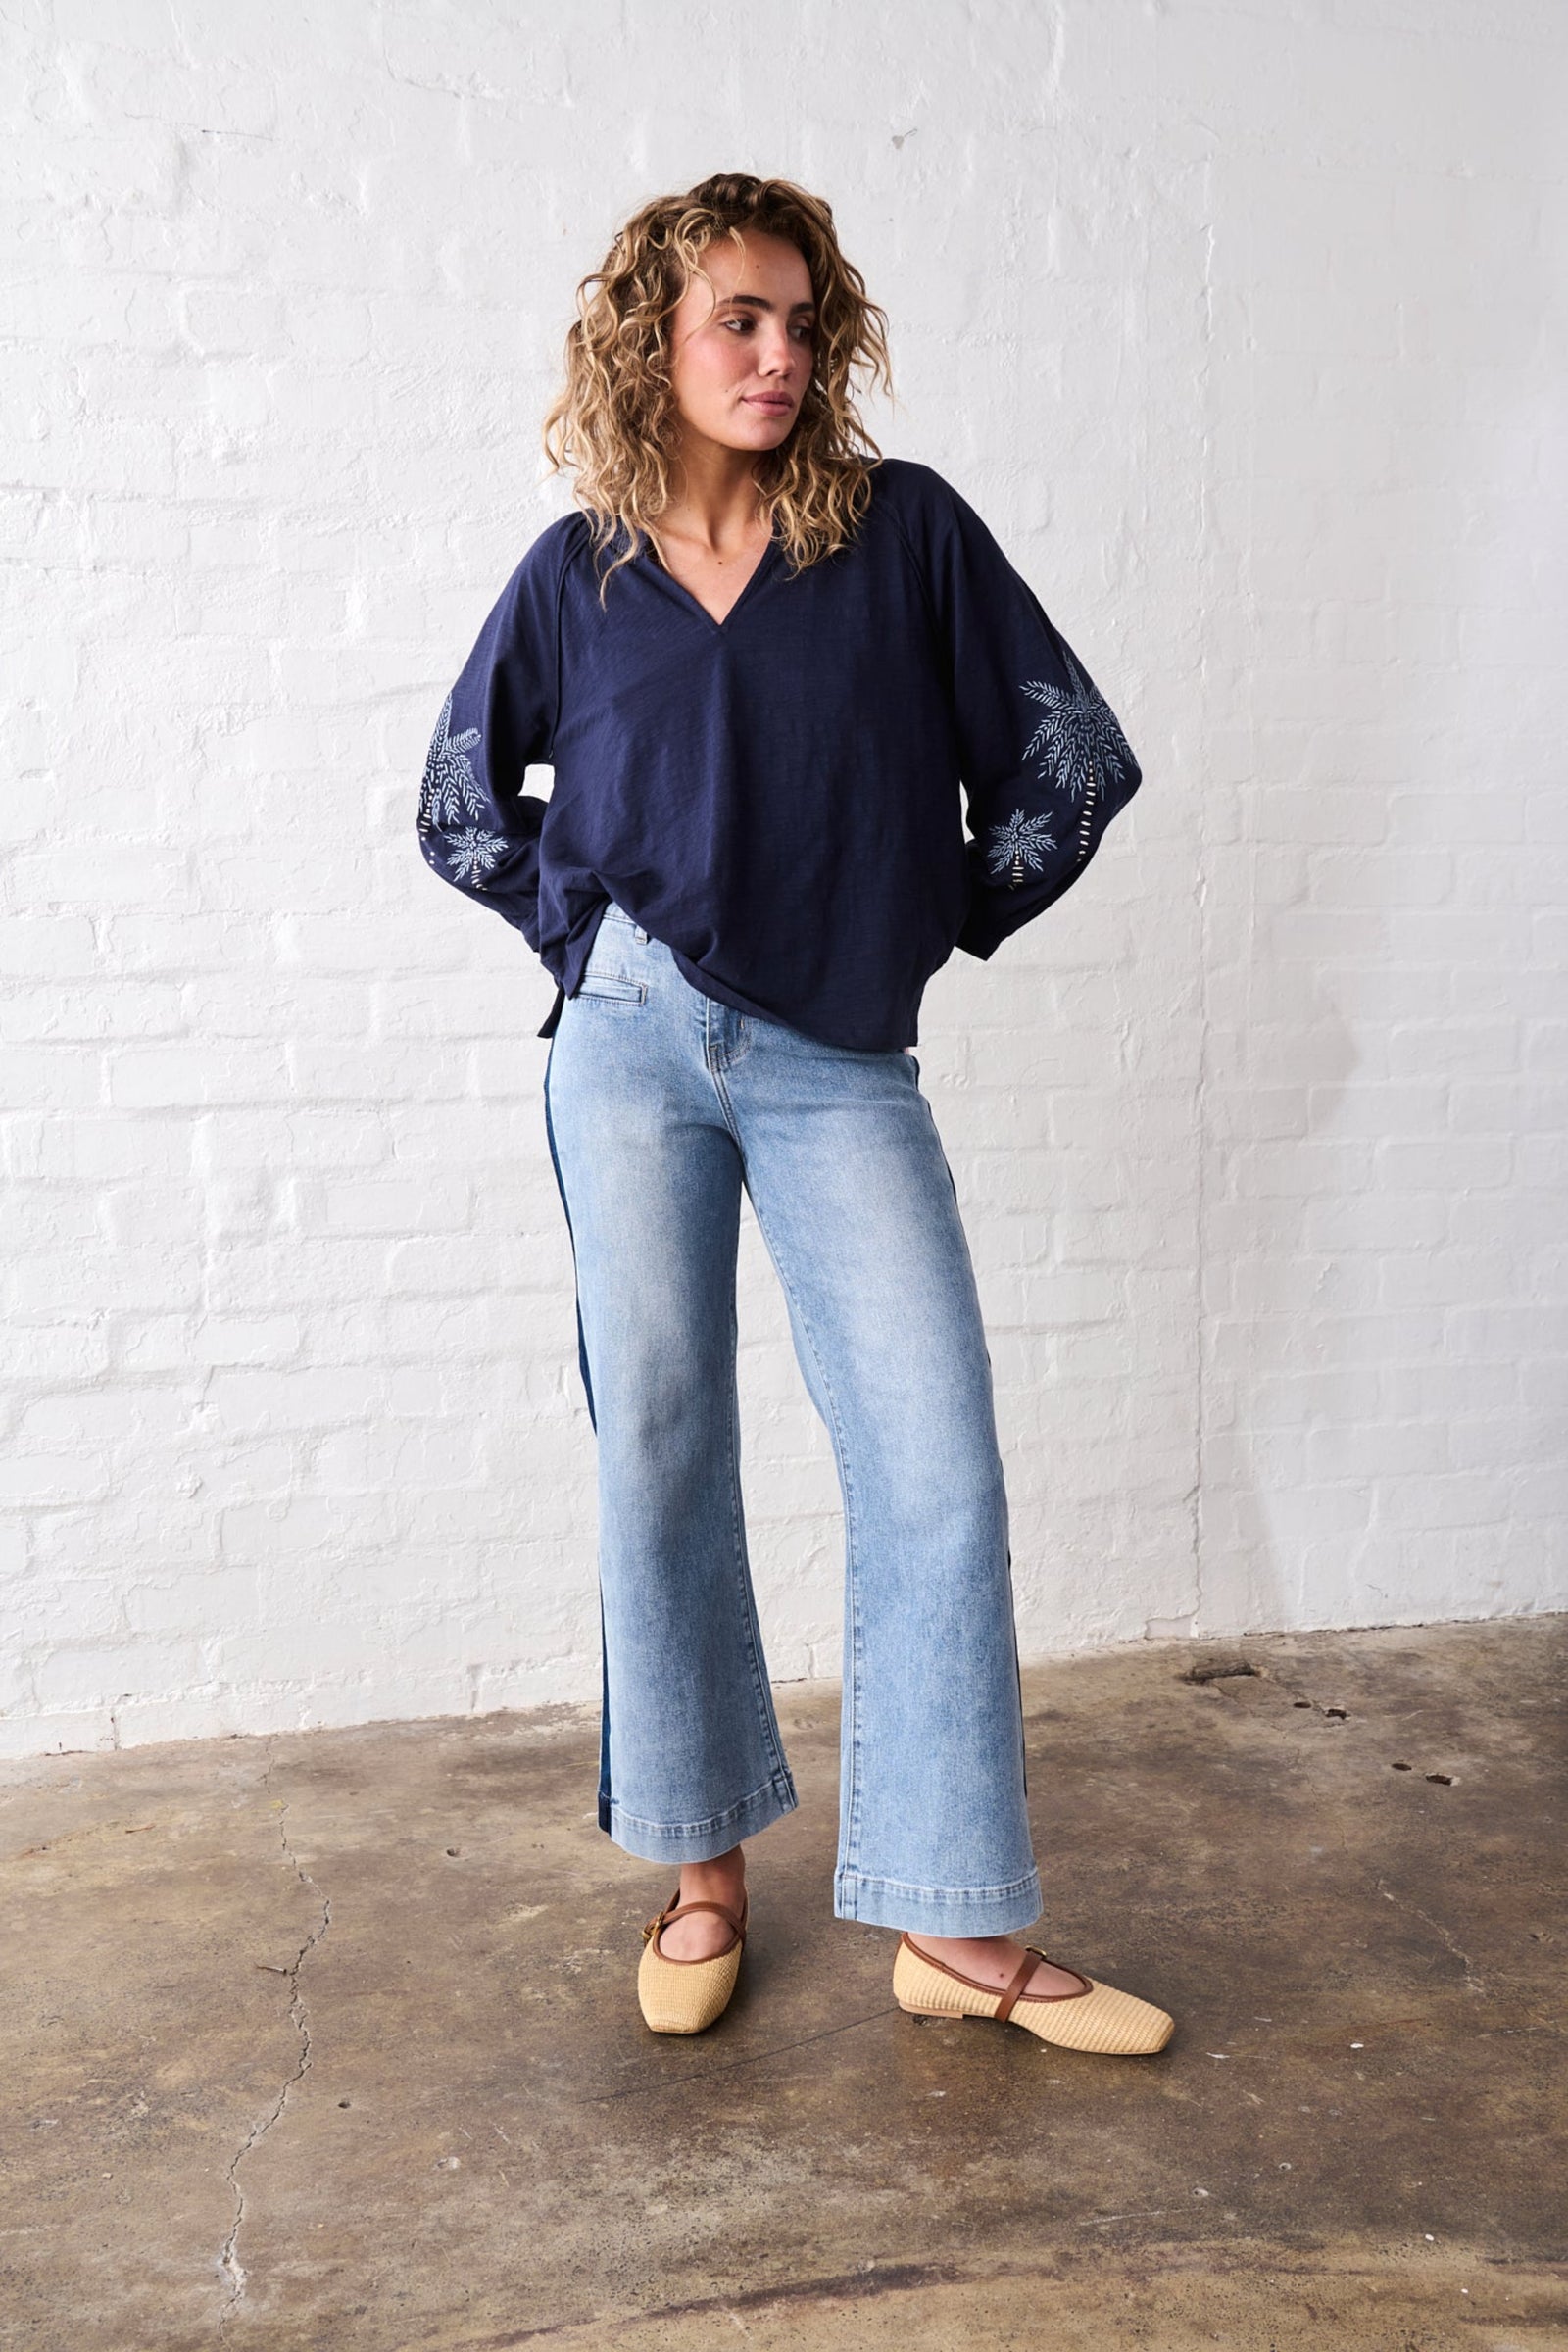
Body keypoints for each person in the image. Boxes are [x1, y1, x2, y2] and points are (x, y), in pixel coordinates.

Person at [417, 173, 1172, 2058]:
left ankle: (958, 1926)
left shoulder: (903, 536)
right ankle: (698, 1872)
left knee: (934, 1459)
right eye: (732, 320)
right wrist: (574, 928)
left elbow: (1074, 758)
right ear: (652, 346)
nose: (775, 352)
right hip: (631, 1049)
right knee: (659, 1444)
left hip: (840, 1055)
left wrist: (937, 907)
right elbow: (453, 798)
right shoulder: (578, 571)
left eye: (798, 319)